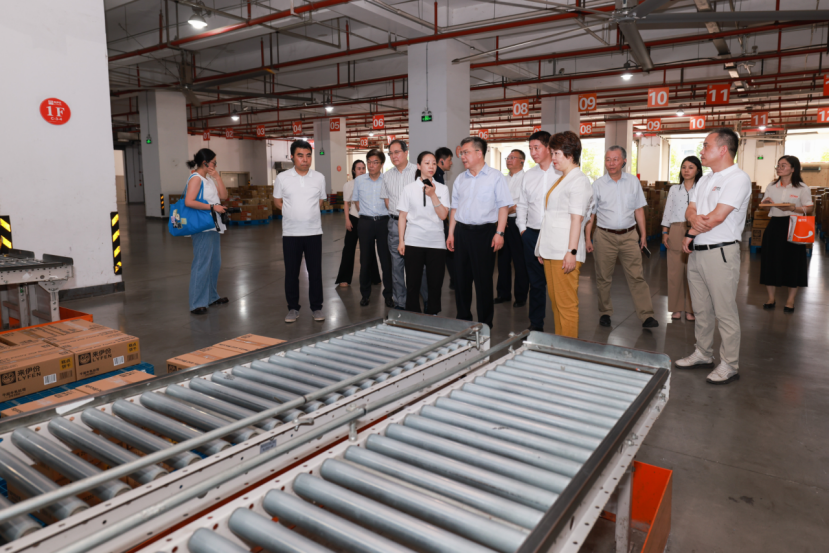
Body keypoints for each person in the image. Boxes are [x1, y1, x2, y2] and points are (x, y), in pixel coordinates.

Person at [677, 128, 751, 385]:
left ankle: (729, 364)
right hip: (698, 252)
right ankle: (703, 352)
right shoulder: (706, 179)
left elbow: (717, 217)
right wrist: (693, 221)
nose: (701, 151)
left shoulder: (737, 178)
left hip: (720, 252)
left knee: (724, 311)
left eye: (706, 145)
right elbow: (691, 208)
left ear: (723, 149)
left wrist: (691, 230)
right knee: (701, 309)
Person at [585, 146, 659, 328]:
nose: (611, 163)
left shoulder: (633, 182)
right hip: (604, 236)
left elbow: (639, 209)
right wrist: (587, 238)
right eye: (608, 159)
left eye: (615, 159)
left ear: (624, 161)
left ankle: (646, 315)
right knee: (603, 277)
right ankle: (605, 312)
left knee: (637, 276)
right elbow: (591, 214)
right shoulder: (598, 185)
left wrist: (643, 235)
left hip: (629, 236)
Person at [447, 136, 513, 328]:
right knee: (461, 279)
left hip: (484, 234)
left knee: (483, 280)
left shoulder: (495, 177)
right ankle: (463, 318)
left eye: (465, 152)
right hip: (461, 232)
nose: (462, 156)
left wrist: (500, 233)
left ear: (479, 153)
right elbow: (454, 208)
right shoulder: (460, 178)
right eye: (461, 153)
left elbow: (503, 206)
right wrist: (451, 233)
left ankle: (485, 323)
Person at [534, 132, 593, 338]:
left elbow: (577, 219)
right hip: (552, 249)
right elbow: (551, 216)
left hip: (564, 251)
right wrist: (541, 248)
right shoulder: (563, 178)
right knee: (556, 304)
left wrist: (571, 251)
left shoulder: (579, 181)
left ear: (570, 154)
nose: (553, 158)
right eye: (552, 153)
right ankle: (560, 346)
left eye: (556, 153)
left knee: (566, 306)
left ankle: (569, 351)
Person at [274, 140, 326, 323]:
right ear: (292, 157)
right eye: (300, 155)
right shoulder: (282, 178)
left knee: (315, 272)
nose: (305, 159)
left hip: (313, 232)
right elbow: (277, 201)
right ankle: (293, 308)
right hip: (291, 234)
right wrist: (292, 213)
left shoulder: (319, 177)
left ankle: (317, 307)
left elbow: (320, 201)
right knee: (291, 273)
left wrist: (307, 213)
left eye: (308, 155)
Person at [517, 131, 562, 332]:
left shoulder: (561, 173)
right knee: (535, 283)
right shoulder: (529, 175)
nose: (533, 152)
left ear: (549, 148)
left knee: (558, 283)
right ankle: (536, 324)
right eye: (530, 148)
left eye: (537, 147)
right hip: (532, 235)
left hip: (556, 235)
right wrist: (523, 230)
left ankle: (562, 325)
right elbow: (522, 205)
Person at [396, 151, 450, 314]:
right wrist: (401, 241)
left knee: (435, 283)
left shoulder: (442, 189)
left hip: (436, 242)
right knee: (413, 283)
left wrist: (433, 195)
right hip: (414, 241)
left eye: (433, 163)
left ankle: (433, 313)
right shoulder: (409, 189)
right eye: (427, 163)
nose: (431, 166)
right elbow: (402, 216)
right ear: (419, 166)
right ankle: (413, 314)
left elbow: (443, 215)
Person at [759, 155, 814, 312]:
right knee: (770, 261)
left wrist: (793, 208)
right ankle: (771, 298)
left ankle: (790, 300)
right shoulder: (772, 186)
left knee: (793, 262)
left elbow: (809, 208)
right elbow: (765, 206)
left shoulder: (802, 188)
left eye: (783, 165)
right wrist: (765, 203)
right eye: (778, 165)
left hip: (794, 226)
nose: (779, 168)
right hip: (775, 225)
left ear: (793, 169)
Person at [381, 139, 427, 310]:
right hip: (394, 224)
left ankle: (425, 300)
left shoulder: (418, 171)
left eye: (397, 152)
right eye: (390, 153)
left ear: (406, 152)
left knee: (420, 266)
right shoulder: (387, 176)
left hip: (415, 224)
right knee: (397, 266)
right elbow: (387, 201)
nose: (394, 156)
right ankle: (400, 302)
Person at [185, 149, 228, 315]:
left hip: (213, 225)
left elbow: (223, 195)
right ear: (205, 163)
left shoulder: (207, 179)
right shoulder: (196, 178)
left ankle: (211, 296)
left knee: (214, 263)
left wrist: (218, 177)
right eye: (214, 162)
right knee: (202, 263)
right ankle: (196, 303)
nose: (215, 165)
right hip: (202, 226)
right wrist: (213, 207)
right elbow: (189, 201)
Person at [661, 156, 702, 321]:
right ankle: (676, 308)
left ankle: (691, 309)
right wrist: (665, 232)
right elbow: (668, 210)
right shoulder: (674, 189)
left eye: (691, 167)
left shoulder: (702, 189)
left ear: (697, 170)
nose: (686, 170)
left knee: (693, 273)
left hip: (696, 230)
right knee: (675, 272)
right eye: (684, 167)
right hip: (676, 229)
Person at [353, 149, 394, 307]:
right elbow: (356, 201)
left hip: (384, 222)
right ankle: (365, 294)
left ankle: (388, 295)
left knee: (386, 260)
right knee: (365, 260)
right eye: (369, 162)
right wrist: (366, 214)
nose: (371, 165)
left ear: (381, 164)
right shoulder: (359, 180)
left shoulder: (387, 179)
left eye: (375, 162)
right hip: (366, 223)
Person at [335, 160, 381, 288]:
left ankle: (374, 277)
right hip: (354, 219)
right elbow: (346, 204)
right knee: (349, 248)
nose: (361, 170)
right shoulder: (348, 185)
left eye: (363, 168)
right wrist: (347, 220)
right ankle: (344, 278)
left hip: (367, 219)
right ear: (354, 170)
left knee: (369, 248)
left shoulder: (369, 183)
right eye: (359, 168)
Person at [495, 149, 529, 308]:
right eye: (508, 158)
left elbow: (519, 205)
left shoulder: (526, 178)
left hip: (518, 222)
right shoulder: (503, 179)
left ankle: (520, 296)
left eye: (513, 157)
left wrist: (502, 214)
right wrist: (501, 218)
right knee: (502, 260)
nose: (509, 160)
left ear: (522, 161)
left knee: (519, 261)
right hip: (503, 223)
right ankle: (503, 293)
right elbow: (496, 201)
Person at [434, 146, 456, 290]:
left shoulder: (440, 175)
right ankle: (454, 280)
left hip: (442, 220)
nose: (451, 163)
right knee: (449, 251)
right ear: (441, 161)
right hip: (438, 221)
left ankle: (454, 280)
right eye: (449, 160)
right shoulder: (436, 176)